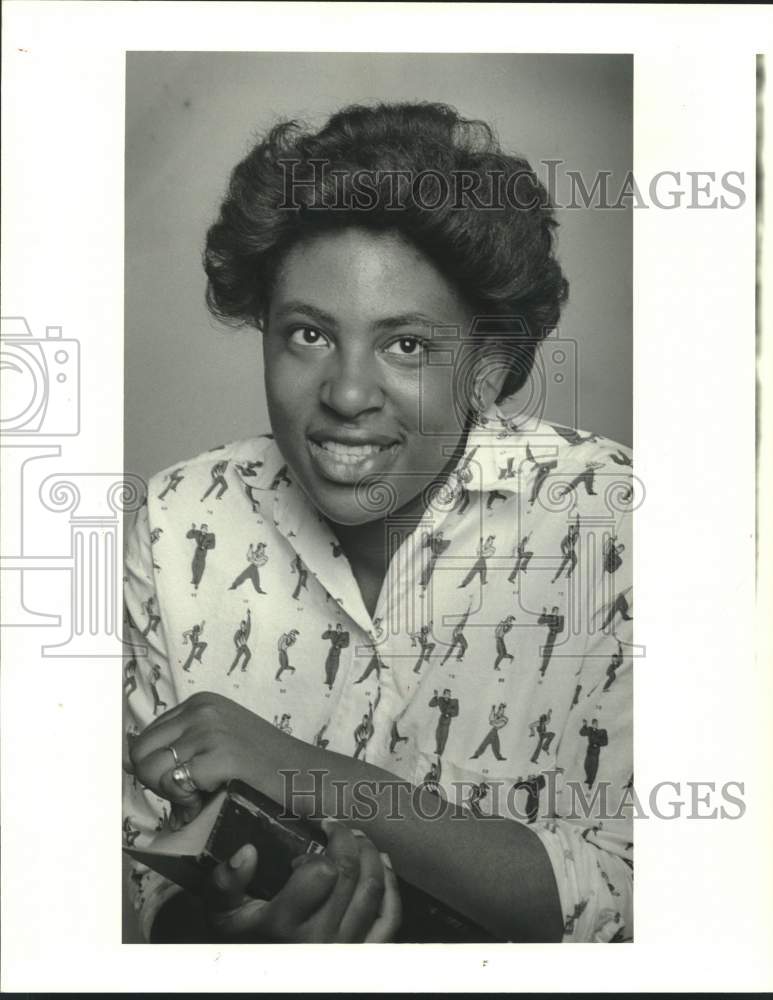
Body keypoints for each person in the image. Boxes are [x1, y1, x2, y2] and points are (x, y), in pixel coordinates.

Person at [123, 102, 633, 945]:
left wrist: (304, 776)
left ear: (487, 369)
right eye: (308, 334)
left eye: (406, 347)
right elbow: (153, 883)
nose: (347, 396)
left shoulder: (608, 521)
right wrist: (235, 931)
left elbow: (635, 892)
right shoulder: (179, 522)